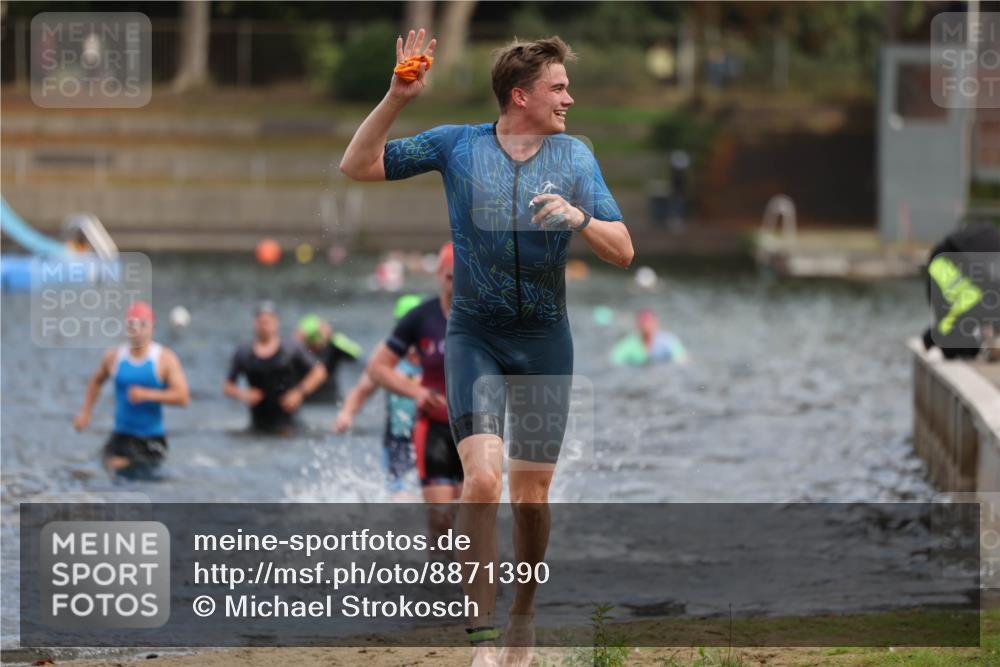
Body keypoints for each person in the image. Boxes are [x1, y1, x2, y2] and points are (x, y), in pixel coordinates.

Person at [340, 31, 634, 665]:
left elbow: (624, 249)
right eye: (559, 88)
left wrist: (581, 220)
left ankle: (522, 616)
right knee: (481, 480)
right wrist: (396, 96)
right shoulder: (458, 146)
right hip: (475, 339)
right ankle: (480, 639)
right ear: (520, 95)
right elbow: (357, 165)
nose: (570, 99)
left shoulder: (576, 159)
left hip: (546, 347)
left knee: (530, 499)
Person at [366, 246, 463, 510]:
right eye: (451, 277)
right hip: (434, 428)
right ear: (440, 275)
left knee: (473, 518)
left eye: (464, 277)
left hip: (477, 430)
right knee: (441, 519)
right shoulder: (422, 318)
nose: (457, 284)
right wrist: (417, 393)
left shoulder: (487, 318)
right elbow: (378, 368)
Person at [74, 301, 190, 479]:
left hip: (151, 439)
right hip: (120, 436)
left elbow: (183, 397)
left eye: (142, 324)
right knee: (92, 473)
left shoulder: (164, 359)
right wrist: (85, 412)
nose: (137, 329)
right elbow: (96, 381)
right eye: (132, 324)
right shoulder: (114, 356)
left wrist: (148, 394)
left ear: (152, 327)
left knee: (126, 473)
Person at [334, 294, 424, 497]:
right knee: (399, 497)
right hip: (397, 439)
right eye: (404, 323)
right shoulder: (387, 359)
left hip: (433, 434)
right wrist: (346, 413)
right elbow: (361, 390)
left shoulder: (438, 354)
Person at [223, 301, 328, 434]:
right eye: (260, 322)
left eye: (267, 322)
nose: (264, 326)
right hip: (258, 424)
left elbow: (319, 372)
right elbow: (227, 387)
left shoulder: (291, 348)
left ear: (276, 323)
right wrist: (244, 394)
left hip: (290, 424)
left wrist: (299, 393)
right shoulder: (244, 352)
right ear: (255, 323)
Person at [922, 223, 1000, 360]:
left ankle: (944, 340)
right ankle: (930, 339)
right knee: (952, 344)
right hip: (944, 262)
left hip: (967, 263)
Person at [296, 314, 363, 403]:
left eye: (319, 337)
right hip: (306, 400)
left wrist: (333, 336)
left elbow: (355, 353)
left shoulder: (333, 347)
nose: (317, 344)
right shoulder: (297, 350)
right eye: (312, 339)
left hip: (330, 399)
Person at [610, 308, 689, 366]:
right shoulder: (629, 343)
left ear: (656, 323)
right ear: (637, 326)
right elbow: (614, 360)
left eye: (649, 322)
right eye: (643, 323)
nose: (646, 326)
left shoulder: (668, 341)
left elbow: (681, 359)